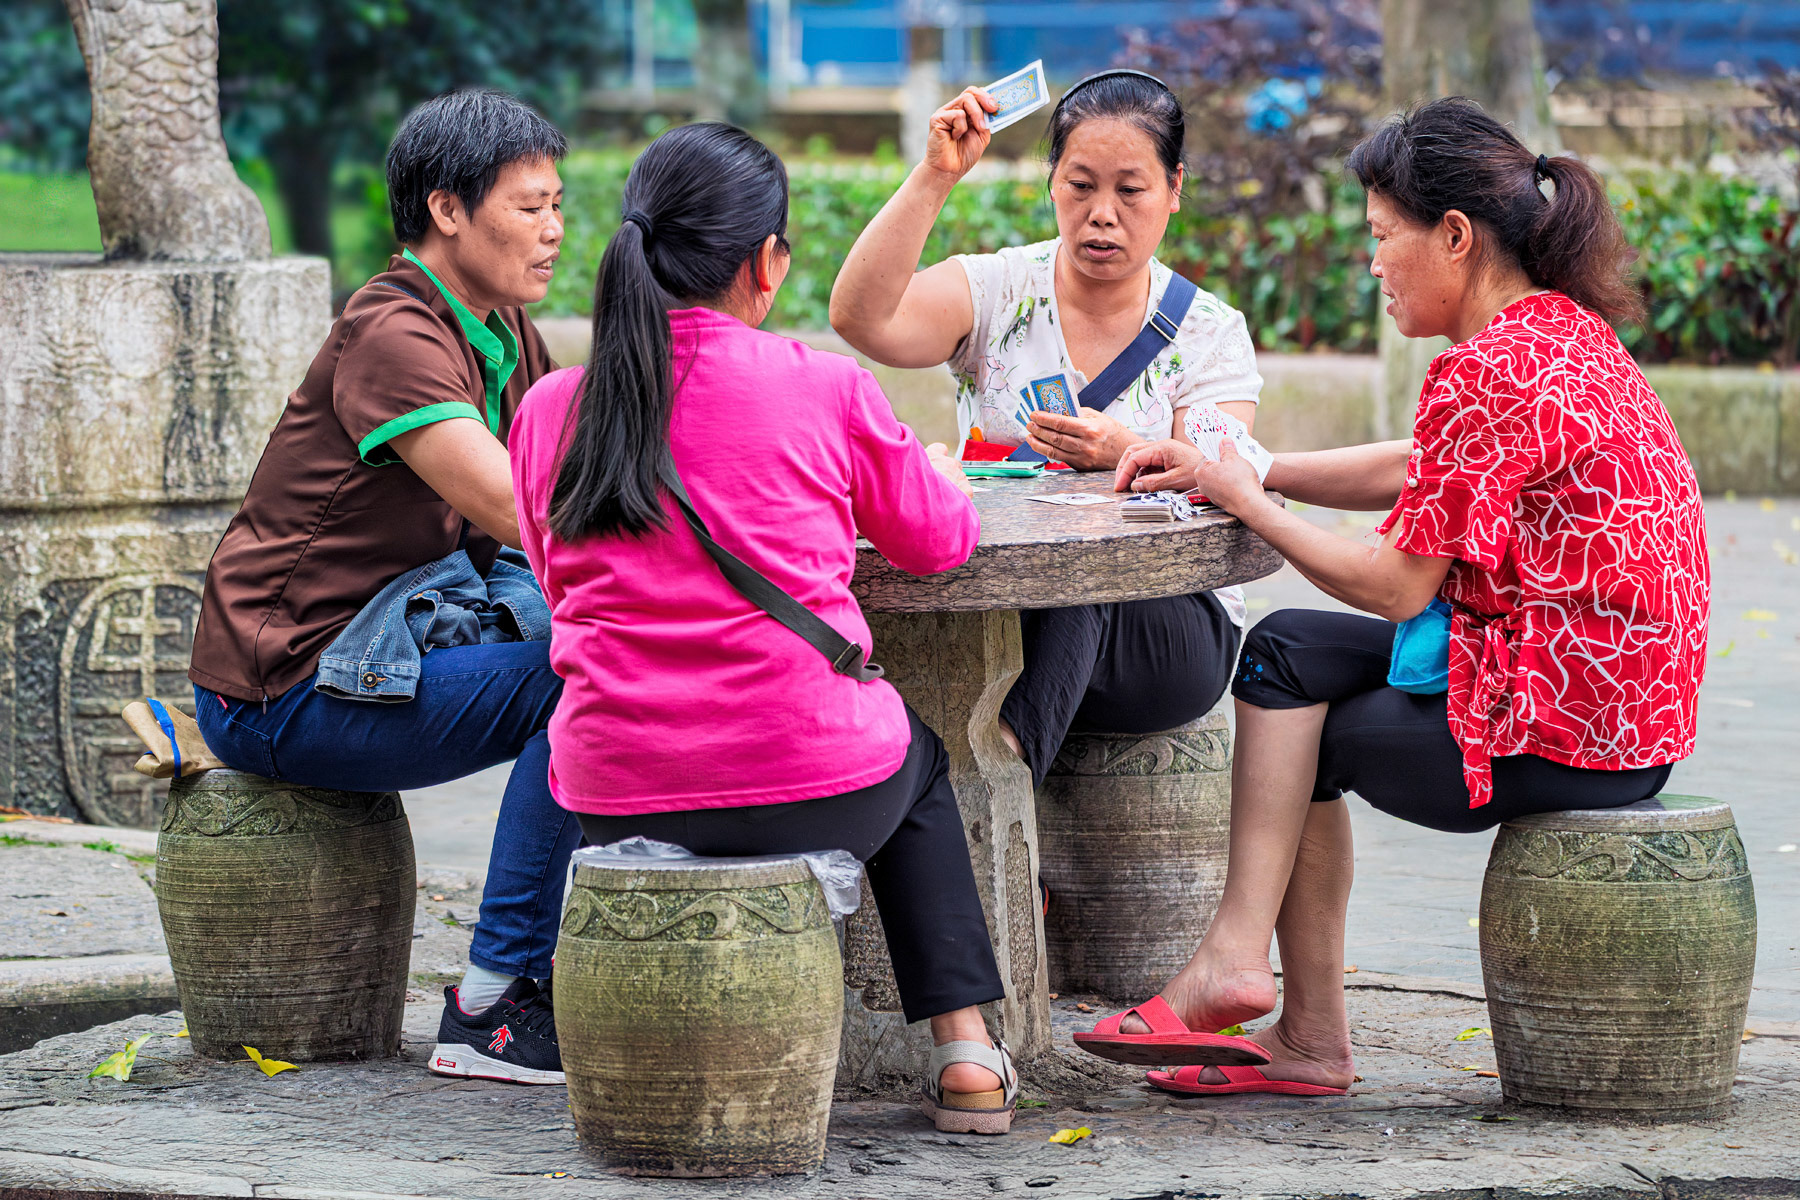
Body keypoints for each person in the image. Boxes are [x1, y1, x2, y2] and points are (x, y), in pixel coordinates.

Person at [1086, 97, 1709, 1095]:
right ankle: (1281, 1010)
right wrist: (1244, 466)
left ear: (1454, 236)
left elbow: (1391, 586)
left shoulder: (1487, 369)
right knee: (1284, 651)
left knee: (1298, 737)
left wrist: (1249, 501)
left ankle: (1256, 983)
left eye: (1383, 237)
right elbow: (1424, 465)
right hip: (1625, 716)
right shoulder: (1559, 333)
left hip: (1561, 734)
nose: (1372, 263)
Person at [507, 122, 1021, 1135]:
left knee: (881, 742)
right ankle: (966, 1051)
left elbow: (556, 580)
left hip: (614, 788)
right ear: (766, 263)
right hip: (812, 786)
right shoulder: (825, 386)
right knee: (916, 755)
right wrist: (944, 476)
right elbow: (936, 543)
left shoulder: (551, 408)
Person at [188, 89, 580, 1085]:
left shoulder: (498, 329)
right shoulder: (393, 334)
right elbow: (526, 509)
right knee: (587, 680)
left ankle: (546, 972)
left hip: (388, 651)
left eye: (558, 206)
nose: (553, 230)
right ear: (447, 209)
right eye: (529, 207)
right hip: (285, 687)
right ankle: (493, 1003)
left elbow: (584, 465)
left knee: (620, 656)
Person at [829, 71, 1264, 788]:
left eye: (1131, 191)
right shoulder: (997, 289)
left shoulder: (1210, 332)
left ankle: (999, 782)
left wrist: (1126, 452)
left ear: (1174, 188)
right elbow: (862, 319)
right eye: (1080, 186)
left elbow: (1221, 488)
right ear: (1052, 183)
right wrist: (937, 175)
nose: (1102, 215)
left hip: (1166, 624)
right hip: (1004, 601)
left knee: (1085, 573)